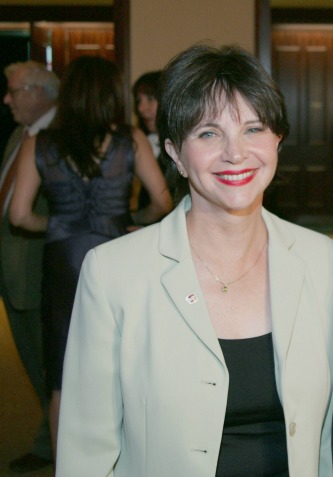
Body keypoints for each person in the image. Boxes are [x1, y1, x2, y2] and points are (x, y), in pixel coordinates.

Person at [55, 44, 333, 476]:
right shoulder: (113, 272)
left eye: (253, 129)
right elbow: (87, 450)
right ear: (175, 153)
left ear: (278, 140)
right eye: (209, 133)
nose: (235, 153)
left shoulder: (321, 260)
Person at [9, 55, 173, 460]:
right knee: (124, 363)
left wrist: (61, 227)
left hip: (64, 259)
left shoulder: (39, 143)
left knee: (63, 376)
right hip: (117, 250)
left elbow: (19, 215)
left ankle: (69, 465)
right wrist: (130, 221)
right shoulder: (130, 139)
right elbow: (163, 201)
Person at [1, 60, 57, 474]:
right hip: (12, 268)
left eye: (14, 91)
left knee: (48, 366)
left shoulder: (59, 139)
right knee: (31, 359)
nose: (7, 99)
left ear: (40, 93)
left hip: (40, 271)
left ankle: (53, 444)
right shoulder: (21, 135)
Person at [132, 70, 166, 209]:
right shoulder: (138, 142)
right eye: (138, 100)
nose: (141, 108)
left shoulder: (184, 146)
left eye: (150, 99)